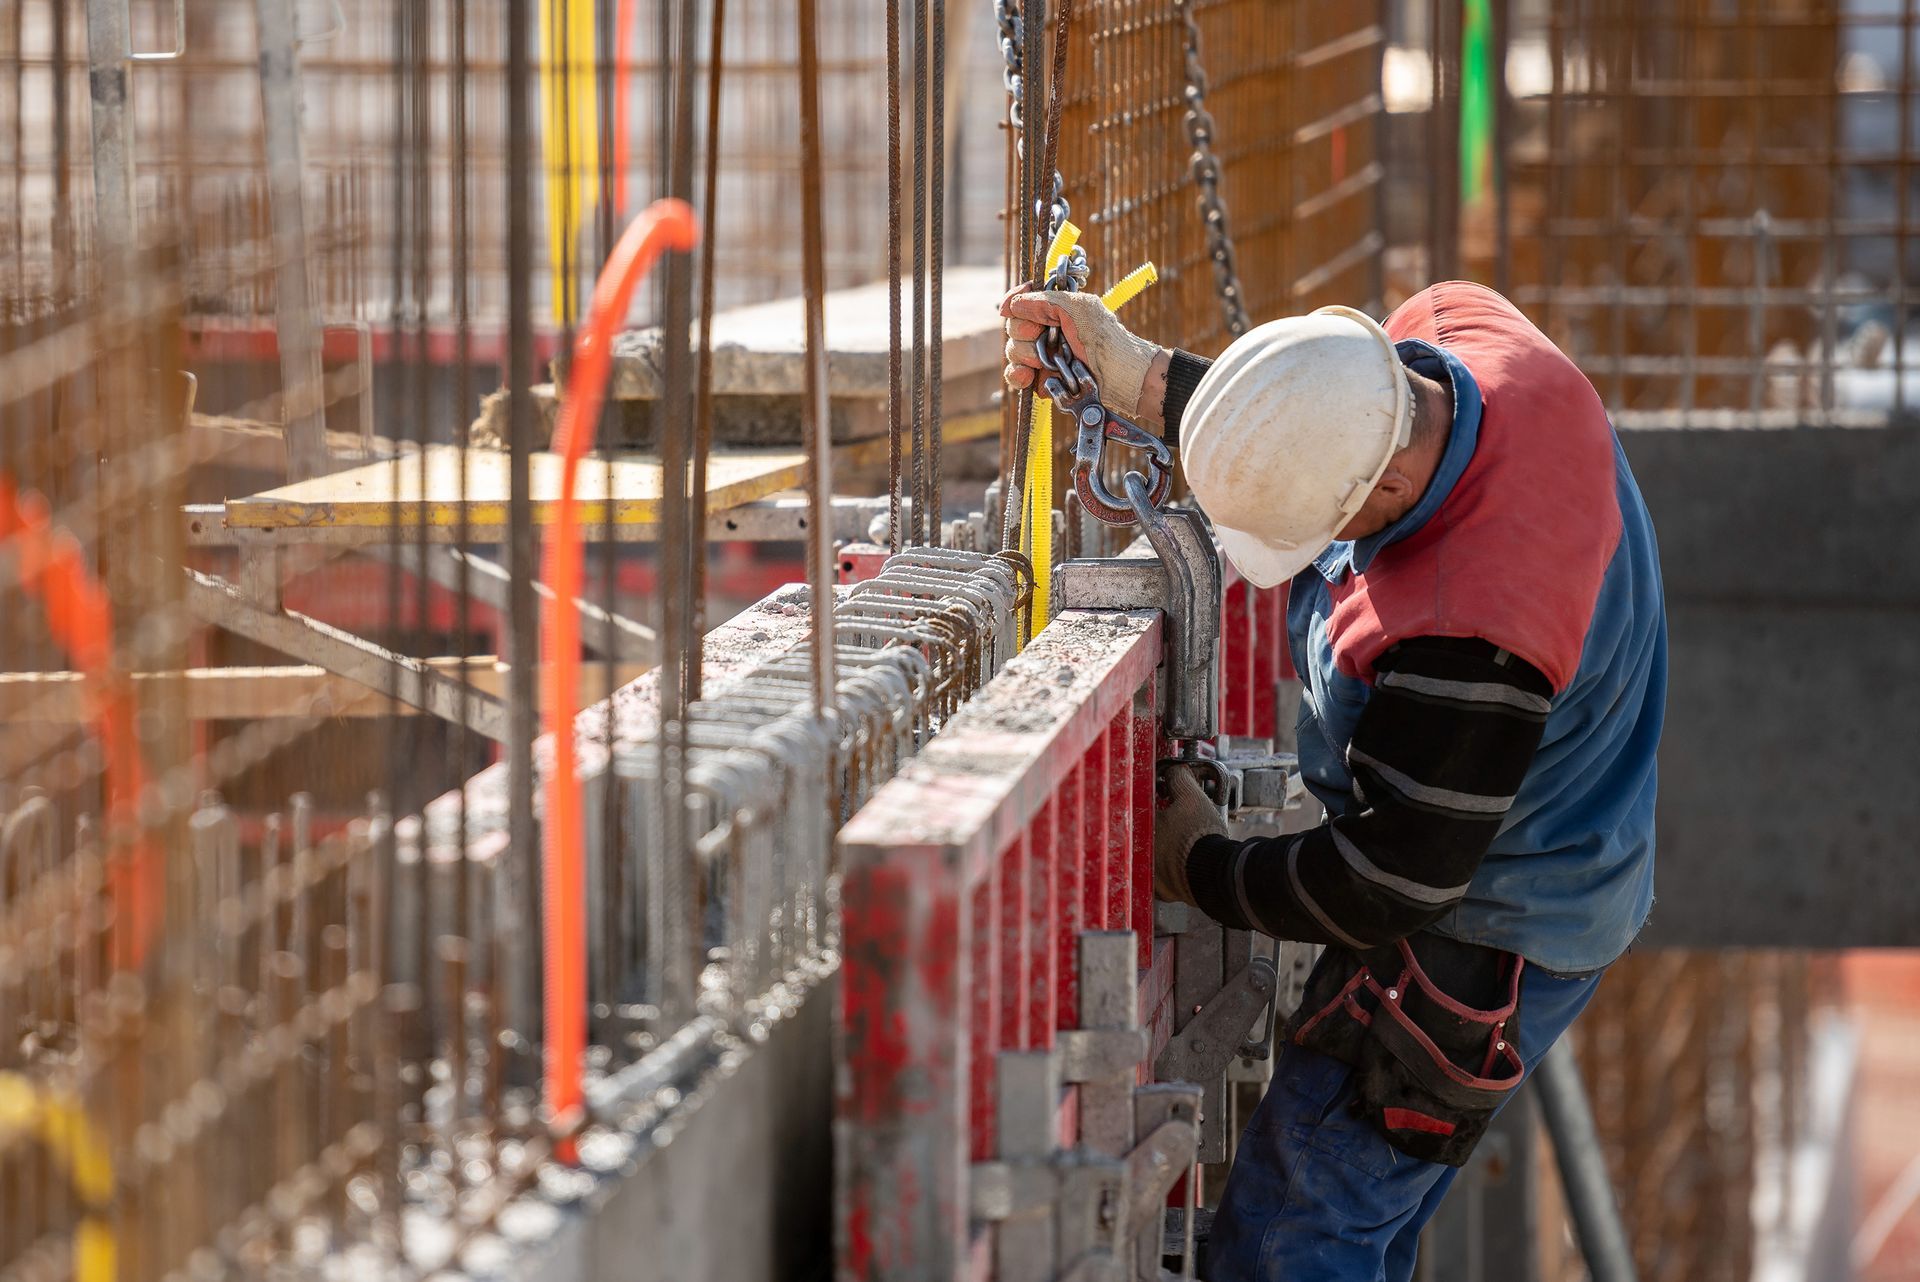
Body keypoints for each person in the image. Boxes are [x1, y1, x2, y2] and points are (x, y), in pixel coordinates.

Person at [1001, 280, 1667, 1281]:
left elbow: (1391, 882)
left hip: (1495, 925)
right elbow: (1314, 409)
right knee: (1341, 1222)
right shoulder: (1446, 334)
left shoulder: (1473, 626)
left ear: (1386, 498)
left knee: (1297, 1232)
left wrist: (1203, 863)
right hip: (1525, 840)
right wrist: (1144, 379)